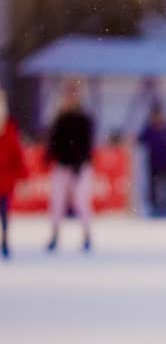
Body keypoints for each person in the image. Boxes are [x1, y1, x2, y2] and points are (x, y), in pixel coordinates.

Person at [45, 82, 95, 253]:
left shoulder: (83, 119)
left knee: (81, 201)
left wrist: (80, 163)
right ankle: (55, 234)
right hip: (62, 166)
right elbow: (53, 143)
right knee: (57, 202)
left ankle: (87, 235)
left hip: (80, 167)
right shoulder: (60, 119)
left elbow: (86, 144)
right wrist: (50, 156)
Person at [0, 89, 27, 260]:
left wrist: (22, 173)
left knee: (4, 212)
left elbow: (16, 154)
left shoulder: (10, 129)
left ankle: (5, 239)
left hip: (5, 179)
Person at [138, 104, 166, 216]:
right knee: (153, 186)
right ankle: (154, 206)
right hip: (153, 163)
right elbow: (139, 139)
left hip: (165, 162)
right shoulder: (149, 129)